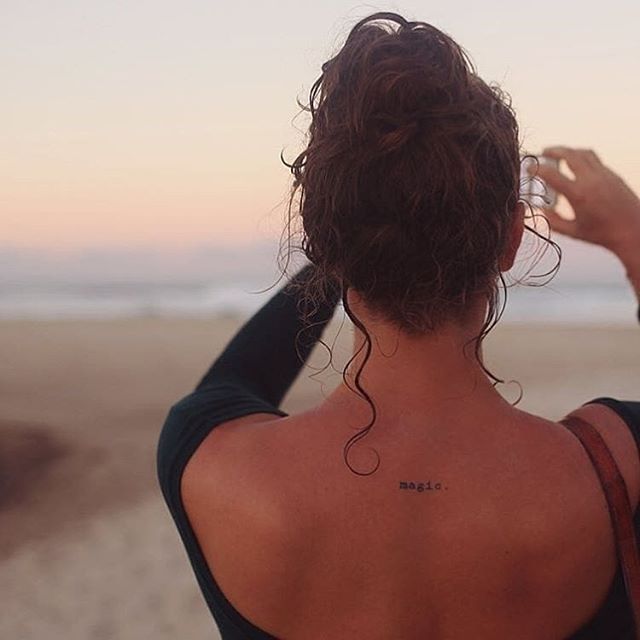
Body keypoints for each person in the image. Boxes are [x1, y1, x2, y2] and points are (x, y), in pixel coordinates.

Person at [156, 11, 640, 639]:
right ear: (512, 239)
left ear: (326, 238)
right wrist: (632, 236)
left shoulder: (212, 465)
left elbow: (236, 377)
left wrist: (355, 237)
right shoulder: (616, 465)